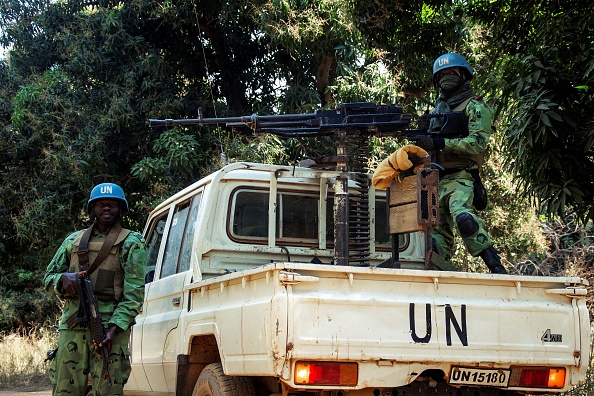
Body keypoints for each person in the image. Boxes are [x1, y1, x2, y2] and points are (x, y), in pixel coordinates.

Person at [44, 183, 147, 396]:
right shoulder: (72, 241)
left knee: (108, 390)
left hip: (109, 328)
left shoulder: (131, 242)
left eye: (112, 204)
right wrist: (63, 280)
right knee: (65, 390)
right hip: (73, 325)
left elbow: (134, 295)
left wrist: (112, 330)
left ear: (121, 209)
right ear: (93, 209)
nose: (106, 208)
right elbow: (47, 279)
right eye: (101, 204)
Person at [415, 52, 507, 274]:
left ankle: (496, 267)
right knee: (434, 236)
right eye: (442, 74)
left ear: (463, 75)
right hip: (435, 179)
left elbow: (477, 143)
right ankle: (438, 276)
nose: (447, 76)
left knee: (463, 217)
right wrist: (422, 133)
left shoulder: (474, 107)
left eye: (452, 72)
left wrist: (440, 142)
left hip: (461, 176)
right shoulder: (436, 113)